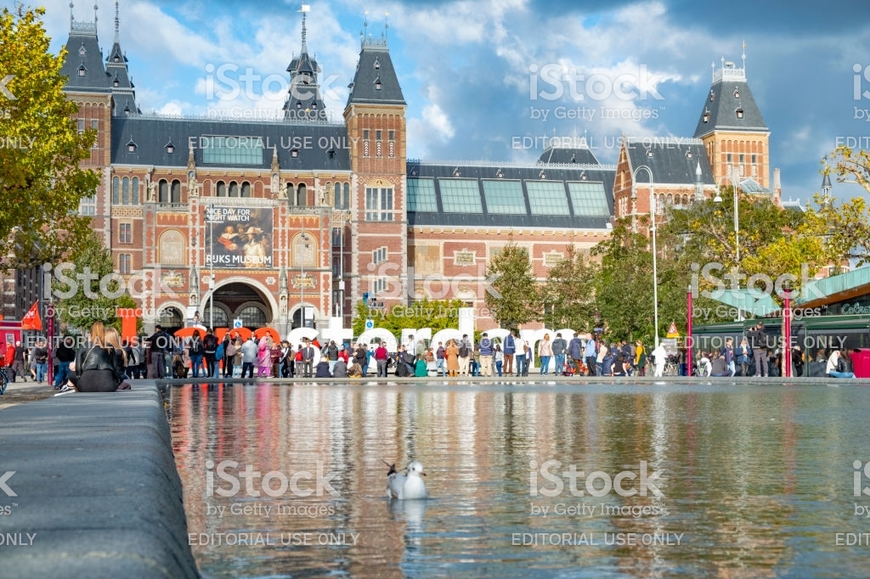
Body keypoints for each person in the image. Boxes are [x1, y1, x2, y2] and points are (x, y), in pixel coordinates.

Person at [68, 322, 126, 392]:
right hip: (108, 386)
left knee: (71, 374)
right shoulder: (109, 347)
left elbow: (78, 370)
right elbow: (115, 368)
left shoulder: (83, 346)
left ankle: (68, 388)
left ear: (90, 334)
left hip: (86, 387)